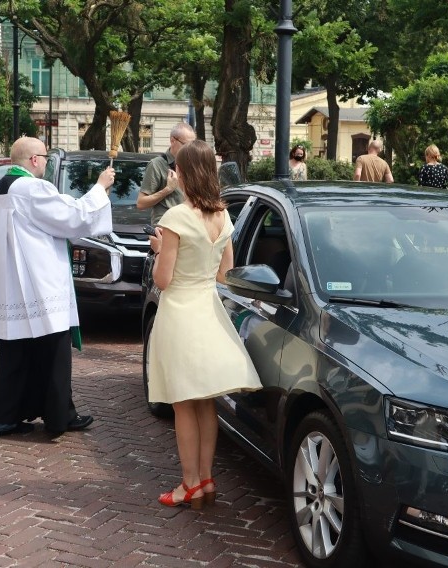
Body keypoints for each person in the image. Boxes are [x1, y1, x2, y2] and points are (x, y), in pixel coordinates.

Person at [0, 136, 115, 439]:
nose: (48, 163)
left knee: (14, 352)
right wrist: (100, 187)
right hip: (39, 287)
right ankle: (58, 416)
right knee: (53, 350)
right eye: (46, 157)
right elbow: (73, 217)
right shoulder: (32, 189)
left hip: (9, 287)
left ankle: (5, 418)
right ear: (35, 159)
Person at [147, 139, 261, 509]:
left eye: (176, 169)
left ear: (183, 173)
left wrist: (158, 250)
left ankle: (189, 483)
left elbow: (163, 280)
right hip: (209, 312)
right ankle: (207, 479)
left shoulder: (176, 217)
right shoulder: (224, 215)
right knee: (206, 403)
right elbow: (226, 275)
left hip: (180, 312)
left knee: (183, 403)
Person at [136, 122, 197, 224]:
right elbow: (141, 203)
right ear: (172, 140)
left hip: (188, 227)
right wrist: (167, 190)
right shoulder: (157, 165)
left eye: (192, 145)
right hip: (165, 230)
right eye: (186, 145)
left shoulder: (194, 165)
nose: (190, 149)